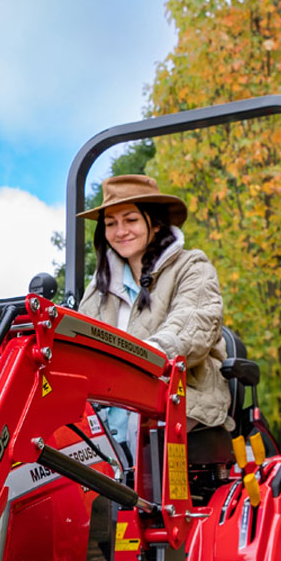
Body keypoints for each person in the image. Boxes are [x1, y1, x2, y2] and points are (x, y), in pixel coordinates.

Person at [77, 174, 231, 436]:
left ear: (156, 223)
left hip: (179, 402)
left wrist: (145, 355)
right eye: (111, 223)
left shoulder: (192, 267)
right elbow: (81, 342)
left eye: (131, 220)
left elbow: (191, 326)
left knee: (144, 430)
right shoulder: (100, 286)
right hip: (107, 414)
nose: (120, 231)